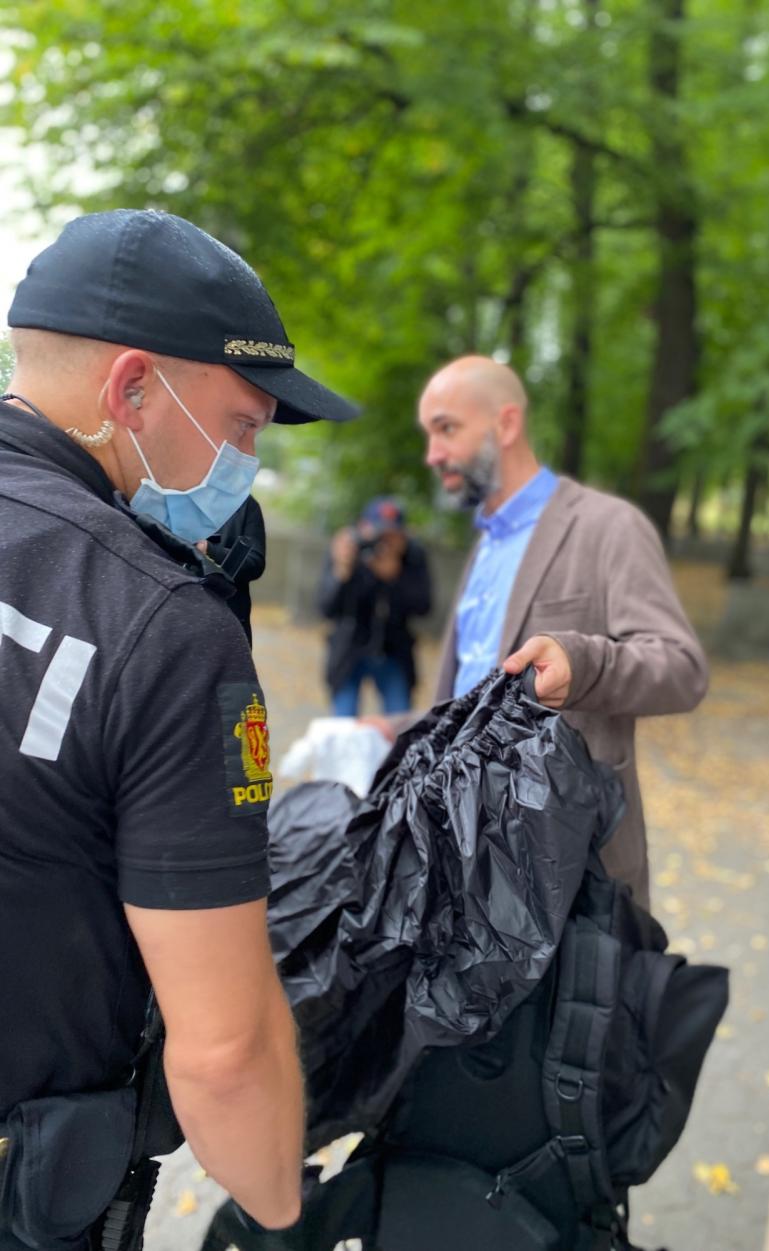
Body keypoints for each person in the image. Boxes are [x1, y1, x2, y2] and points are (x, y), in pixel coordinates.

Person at [0, 208, 356, 1248]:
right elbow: (225, 1050)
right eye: (242, 426)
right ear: (132, 389)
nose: (246, 461)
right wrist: (284, 1207)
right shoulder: (160, 629)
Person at [371, 355, 708, 911]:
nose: (432, 454)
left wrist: (583, 664)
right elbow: (471, 697)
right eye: (428, 434)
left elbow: (682, 668)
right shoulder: (486, 546)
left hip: (573, 880)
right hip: (463, 868)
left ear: (506, 424)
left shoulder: (607, 527)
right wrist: (398, 728)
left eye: (446, 428)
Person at [317, 497, 432, 715]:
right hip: (349, 651)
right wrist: (341, 573)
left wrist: (396, 577)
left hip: (394, 651)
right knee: (344, 725)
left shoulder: (413, 555)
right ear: (362, 528)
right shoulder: (349, 550)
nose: (383, 541)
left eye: (391, 534)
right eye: (378, 533)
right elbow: (325, 609)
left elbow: (424, 607)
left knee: (399, 724)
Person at [199, 494, 267, 646]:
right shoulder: (175, 495)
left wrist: (209, 550)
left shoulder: (246, 505)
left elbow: (255, 563)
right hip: (180, 613)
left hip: (228, 618)